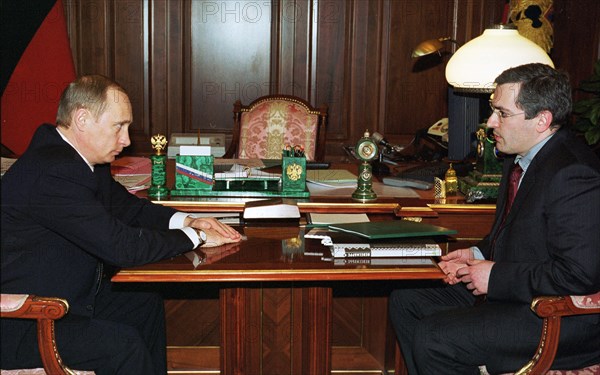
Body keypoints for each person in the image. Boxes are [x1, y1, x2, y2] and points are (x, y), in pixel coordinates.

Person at [1, 75, 242, 374]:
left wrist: (187, 219)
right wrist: (195, 236)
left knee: (144, 305)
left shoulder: (80, 160)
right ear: (83, 119)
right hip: (27, 321)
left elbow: (126, 208)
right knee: (123, 346)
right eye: (119, 126)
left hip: (66, 298)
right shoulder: (54, 173)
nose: (127, 140)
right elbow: (121, 247)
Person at [389, 63, 600, 374]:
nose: (490, 123)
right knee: (406, 301)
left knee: (434, 337)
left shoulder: (574, 174)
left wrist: (495, 277)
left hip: (561, 319)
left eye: (502, 113)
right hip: (521, 295)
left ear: (541, 120)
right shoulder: (519, 157)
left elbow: (579, 275)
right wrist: (476, 254)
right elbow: (518, 235)